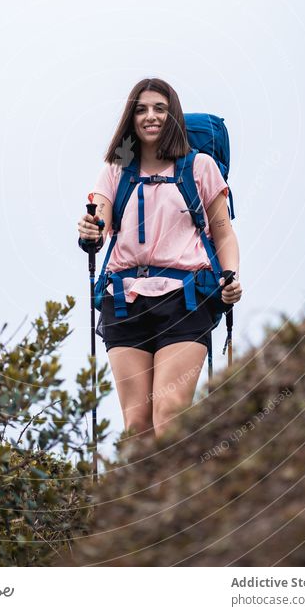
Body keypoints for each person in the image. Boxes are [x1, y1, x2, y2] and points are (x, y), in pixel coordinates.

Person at [77, 77, 242, 442]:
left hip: (184, 301)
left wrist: (229, 277)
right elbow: (99, 220)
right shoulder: (117, 167)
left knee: (169, 416)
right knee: (136, 427)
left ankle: (179, 498)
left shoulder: (199, 167)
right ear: (130, 118)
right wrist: (90, 229)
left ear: (173, 116)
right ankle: (142, 499)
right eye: (141, 109)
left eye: (160, 109)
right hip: (123, 304)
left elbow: (223, 232)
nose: (150, 116)